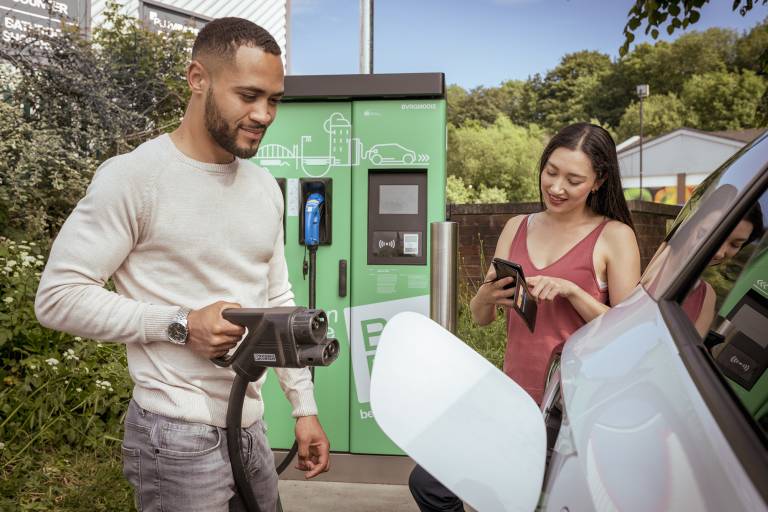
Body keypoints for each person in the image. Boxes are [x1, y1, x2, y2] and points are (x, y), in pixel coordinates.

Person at [34, 18, 329, 512]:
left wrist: (305, 408)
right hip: (174, 435)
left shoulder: (262, 187)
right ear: (198, 79)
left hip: (250, 423)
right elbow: (57, 297)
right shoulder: (134, 179)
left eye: (274, 99)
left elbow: (277, 301)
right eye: (249, 95)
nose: (264, 114)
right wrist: (179, 324)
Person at [409, 122, 641, 512]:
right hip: (512, 397)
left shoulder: (615, 236)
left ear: (599, 181)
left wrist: (573, 292)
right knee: (430, 483)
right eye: (550, 172)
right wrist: (486, 295)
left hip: (571, 408)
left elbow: (630, 332)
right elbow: (483, 318)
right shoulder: (517, 226)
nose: (556, 187)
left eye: (573, 179)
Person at [683, 202, 765, 338]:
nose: (720, 253)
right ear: (691, 223)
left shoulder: (707, 297)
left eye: (735, 244)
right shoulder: (656, 263)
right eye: (711, 233)